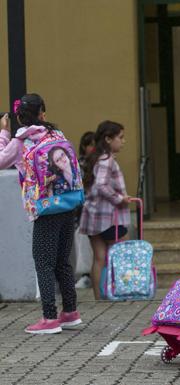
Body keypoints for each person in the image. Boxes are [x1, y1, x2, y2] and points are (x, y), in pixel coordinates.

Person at [0, 94, 81, 333]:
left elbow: (1, 161)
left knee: (43, 261)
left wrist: (3, 132)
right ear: (43, 114)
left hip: (46, 208)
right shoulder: (57, 135)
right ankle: (70, 312)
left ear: (18, 117)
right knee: (62, 261)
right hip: (68, 203)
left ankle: (49, 318)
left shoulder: (21, 140)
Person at [79, 120, 131, 300]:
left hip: (93, 216)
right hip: (109, 217)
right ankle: (121, 290)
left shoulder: (96, 158)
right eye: (121, 138)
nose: (123, 142)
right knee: (123, 252)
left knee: (99, 257)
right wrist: (120, 199)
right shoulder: (107, 160)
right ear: (108, 139)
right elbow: (101, 185)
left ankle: (99, 297)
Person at [74, 131, 96, 289]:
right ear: (84, 146)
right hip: (83, 208)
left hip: (98, 209)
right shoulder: (79, 164)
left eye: (95, 145)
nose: (93, 148)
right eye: (90, 145)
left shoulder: (101, 162)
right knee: (82, 241)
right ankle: (85, 274)